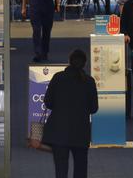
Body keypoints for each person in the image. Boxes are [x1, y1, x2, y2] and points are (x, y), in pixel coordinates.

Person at [42, 49, 99, 178]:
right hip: (80, 132)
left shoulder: (58, 77)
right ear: (85, 64)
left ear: (69, 61)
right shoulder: (89, 81)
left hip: (59, 131)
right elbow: (94, 108)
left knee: (61, 169)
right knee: (80, 168)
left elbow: (48, 102)